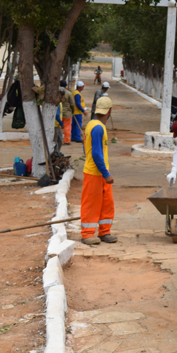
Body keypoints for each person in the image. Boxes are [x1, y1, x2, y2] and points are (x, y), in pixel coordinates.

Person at [80, 96, 117, 245]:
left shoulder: (92, 125)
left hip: (100, 172)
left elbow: (85, 148)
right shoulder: (97, 128)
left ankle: (104, 232)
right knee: (91, 204)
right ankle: (87, 234)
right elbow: (96, 153)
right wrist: (106, 174)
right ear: (110, 111)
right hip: (95, 173)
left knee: (106, 203)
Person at [60, 79, 75, 144]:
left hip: (59, 113)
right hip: (67, 113)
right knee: (67, 127)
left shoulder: (57, 92)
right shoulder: (69, 93)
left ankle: (59, 140)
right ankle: (67, 140)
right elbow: (72, 104)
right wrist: (73, 111)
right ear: (66, 85)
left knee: (59, 127)